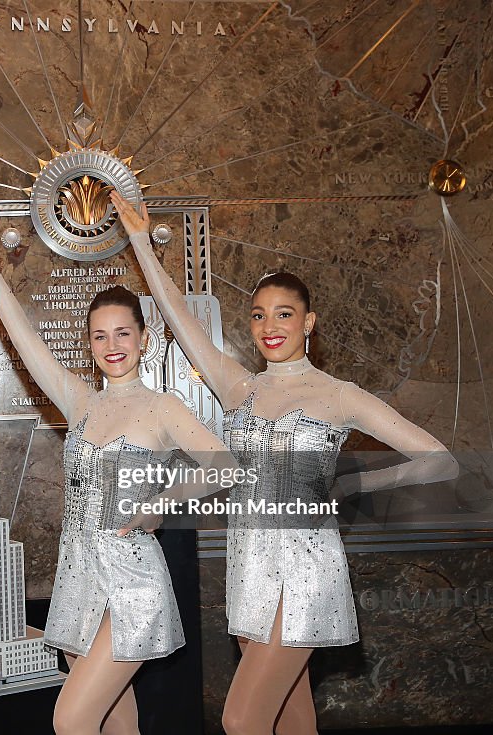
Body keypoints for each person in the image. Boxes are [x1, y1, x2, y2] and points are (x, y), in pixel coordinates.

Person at [111, 191, 460, 735]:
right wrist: (140, 241)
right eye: (258, 315)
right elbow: (180, 321)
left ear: (308, 321)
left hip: (305, 568)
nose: (269, 326)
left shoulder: (339, 395)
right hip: (248, 564)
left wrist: (359, 481)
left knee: (241, 718)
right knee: (293, 717)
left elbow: (440, 462)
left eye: (284, 314)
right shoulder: (239, 387)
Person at [0, 203, 237, 735]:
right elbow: (23, 338)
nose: (112, 346)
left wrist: (159, 506)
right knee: (115, 724)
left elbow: (223, 465)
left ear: (144, 338)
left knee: (71, 718)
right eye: (100, 336)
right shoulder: (79, 402)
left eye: (122, 334)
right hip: (78, 574)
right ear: (89, 347)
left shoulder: (163, 407)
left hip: (134, 579)